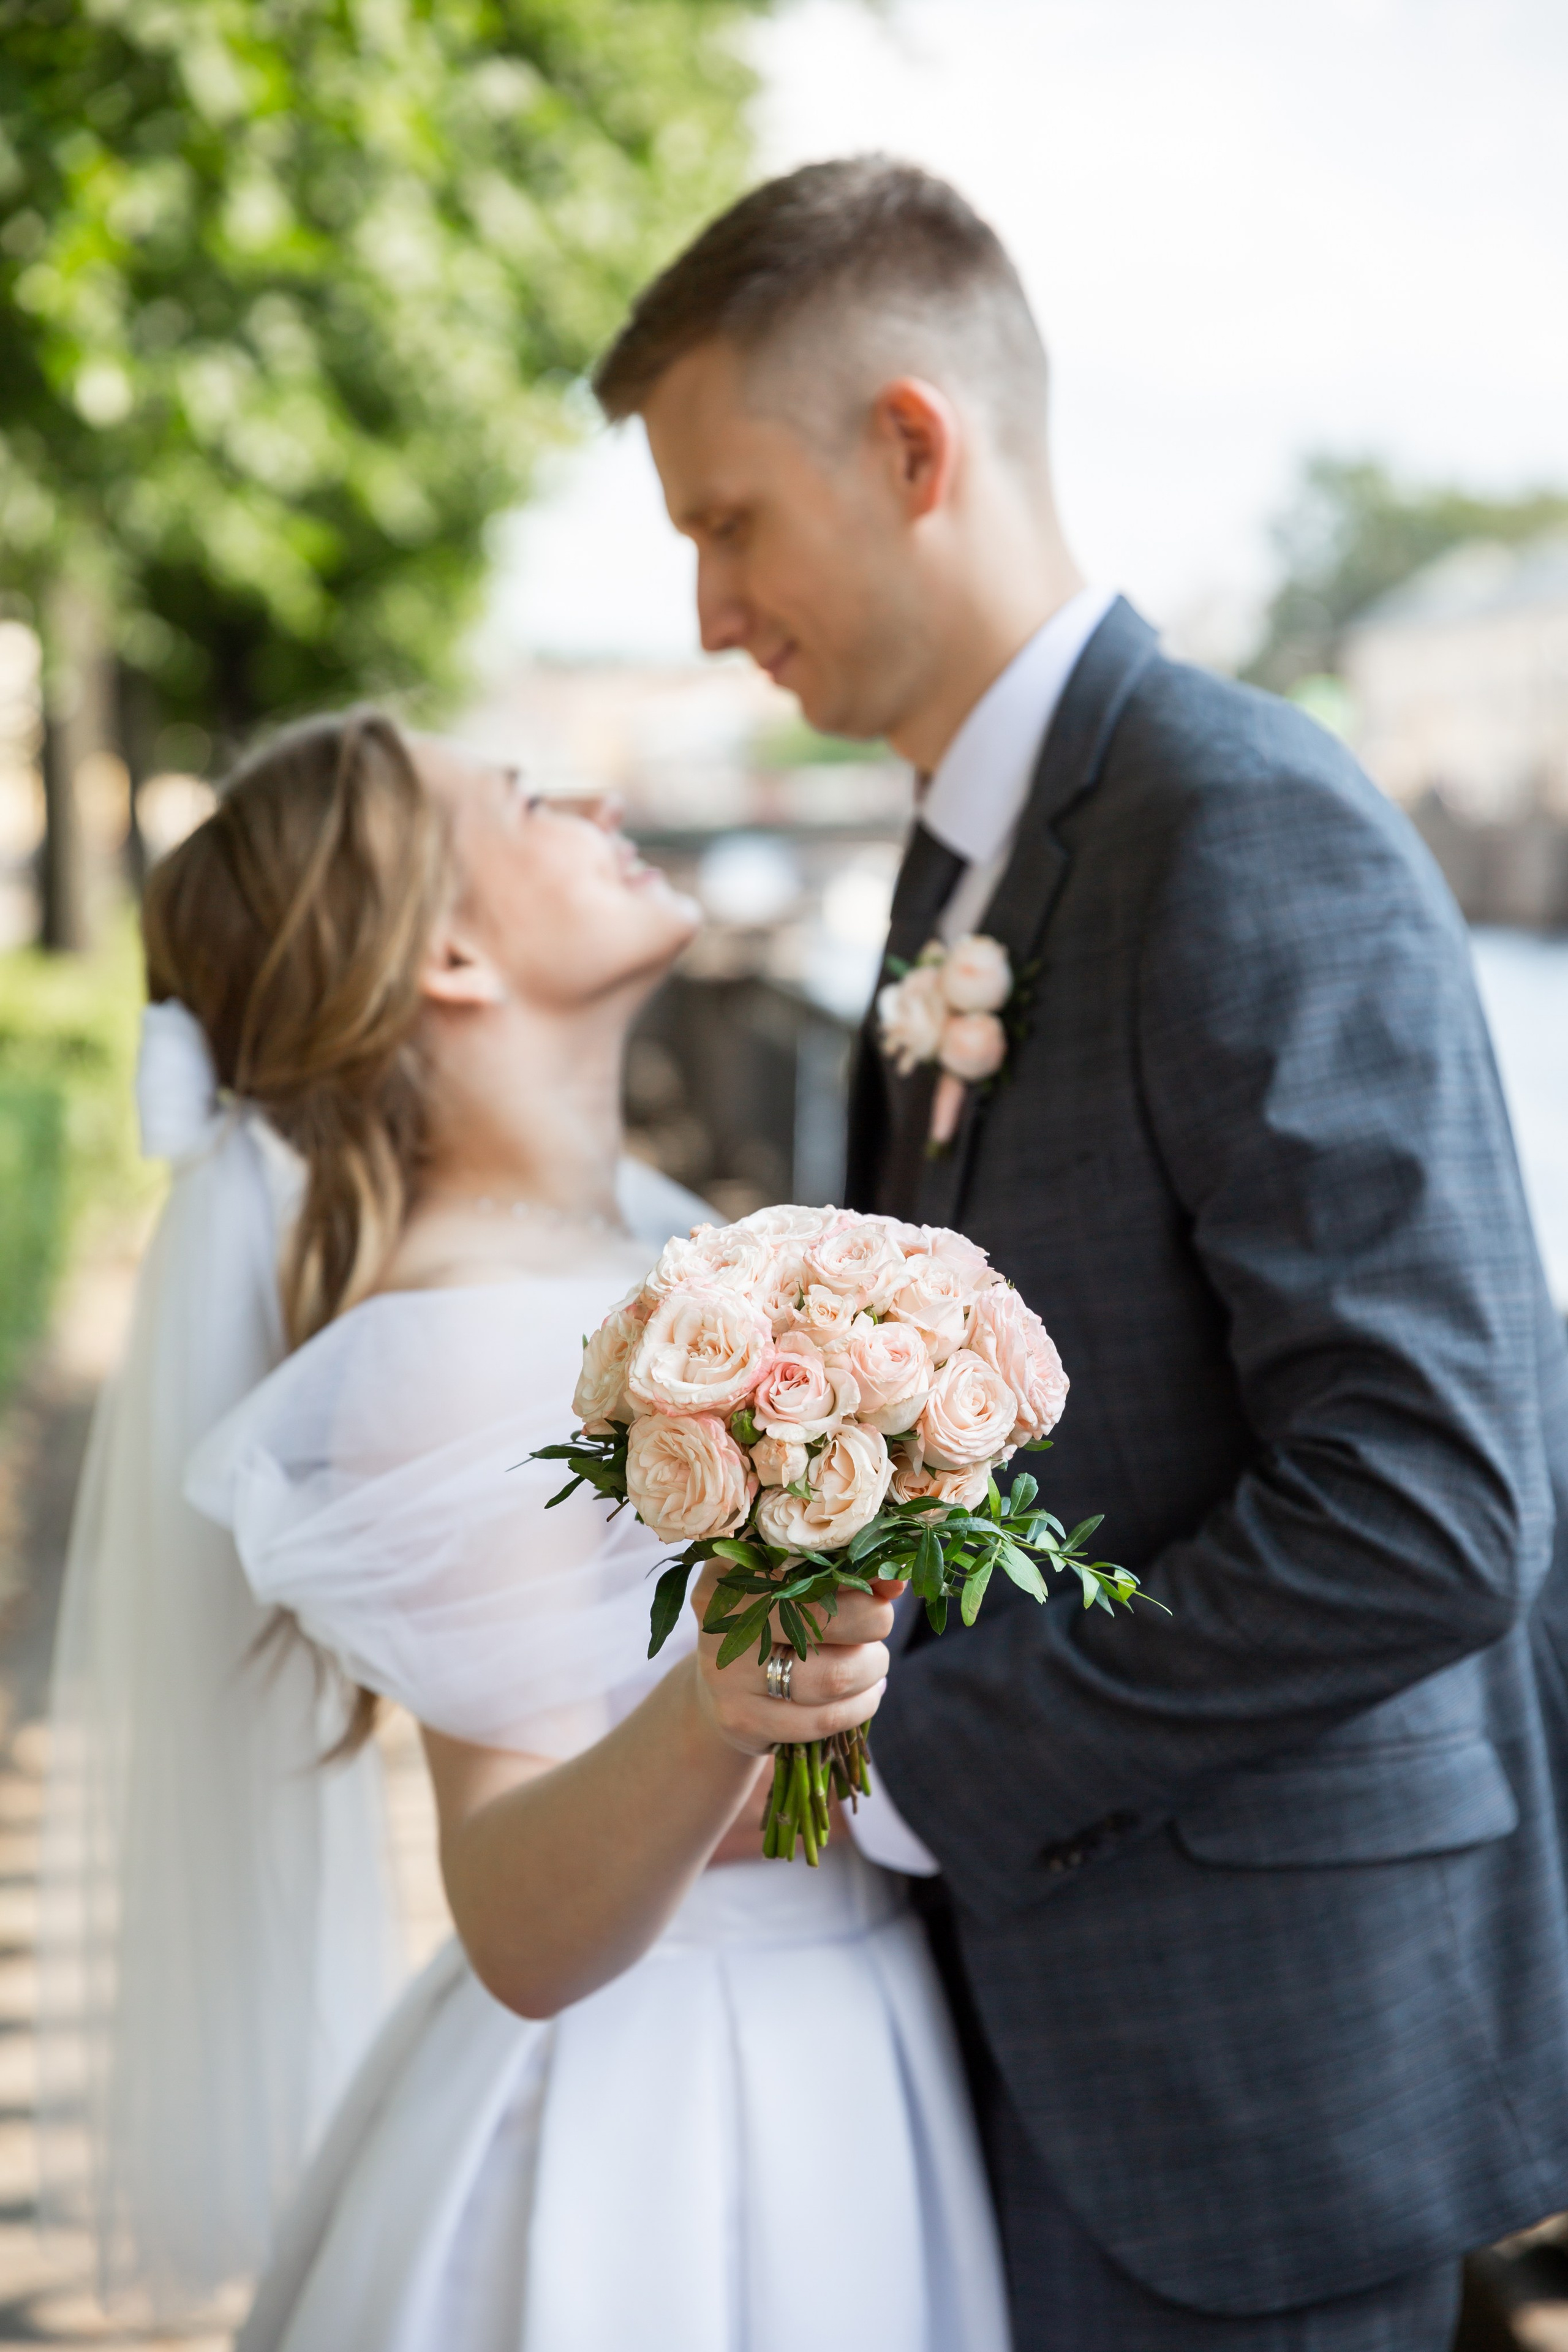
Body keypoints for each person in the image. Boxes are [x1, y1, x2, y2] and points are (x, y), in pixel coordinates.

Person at [598, 155, 1568, 2350]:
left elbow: (1432, 1509)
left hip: (1253, 2061)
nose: (704, 613)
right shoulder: (962, 872)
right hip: (1005, 2023)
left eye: (724, 520)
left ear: (912, 446)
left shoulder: (1244, 822)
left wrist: (919, 1765)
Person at [42, 709, 1012, 2351]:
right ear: (448, 953)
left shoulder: (632, 1239)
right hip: (688, 2097)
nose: (598, 797)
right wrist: (720, 1700)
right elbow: (509, 1904)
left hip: (832, 2009)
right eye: (527, 798)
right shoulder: (451, 1343)